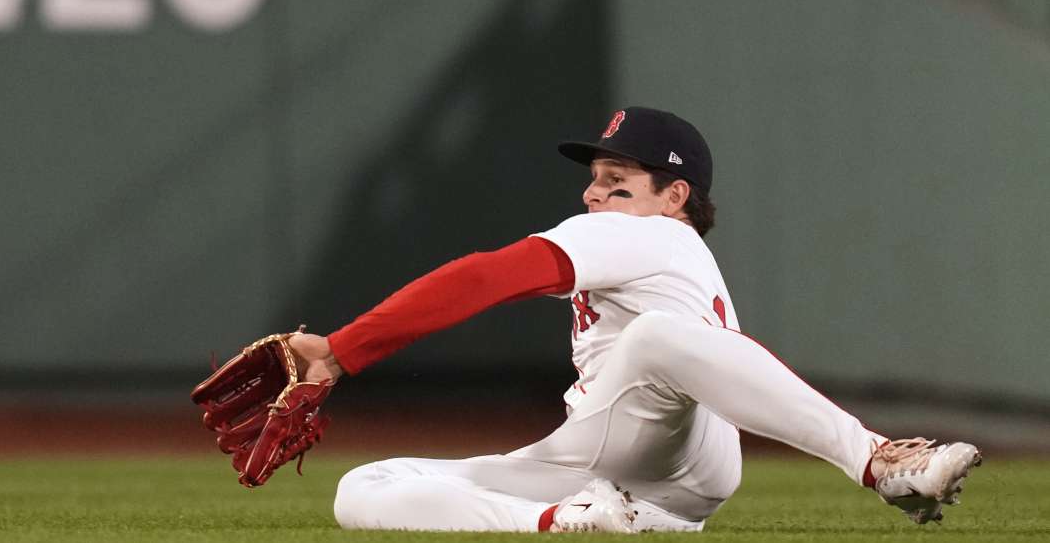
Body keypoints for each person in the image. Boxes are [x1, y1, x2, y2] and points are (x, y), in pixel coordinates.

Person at [286, 106, 981, 532]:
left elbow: (485, 276)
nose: (595, 194)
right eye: (593, 178)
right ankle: (574, 524)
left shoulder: (643, 232)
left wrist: (341, 350)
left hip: (632, 443)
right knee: (364, 488)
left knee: (652, 339)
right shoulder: (664, 247)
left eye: (618, 182)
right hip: (679, 471)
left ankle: (878, 458)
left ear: (674, 195)